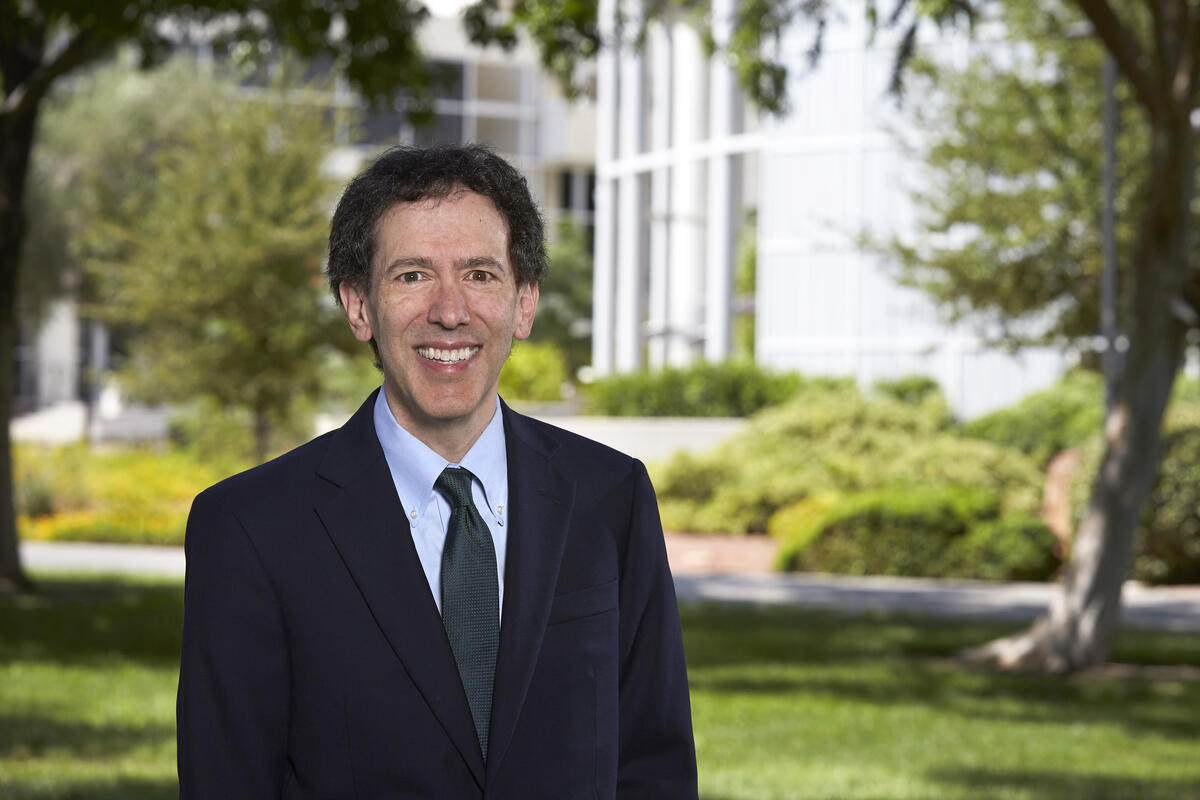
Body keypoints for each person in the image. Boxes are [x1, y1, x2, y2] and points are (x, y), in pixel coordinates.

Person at [176, 144, 697, 798]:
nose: (450, 311)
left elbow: (655, 767)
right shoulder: (251, 528)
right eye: (412, 275)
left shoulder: (611, 500)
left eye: (480, 274)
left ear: (524, 303)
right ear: (359, 306)